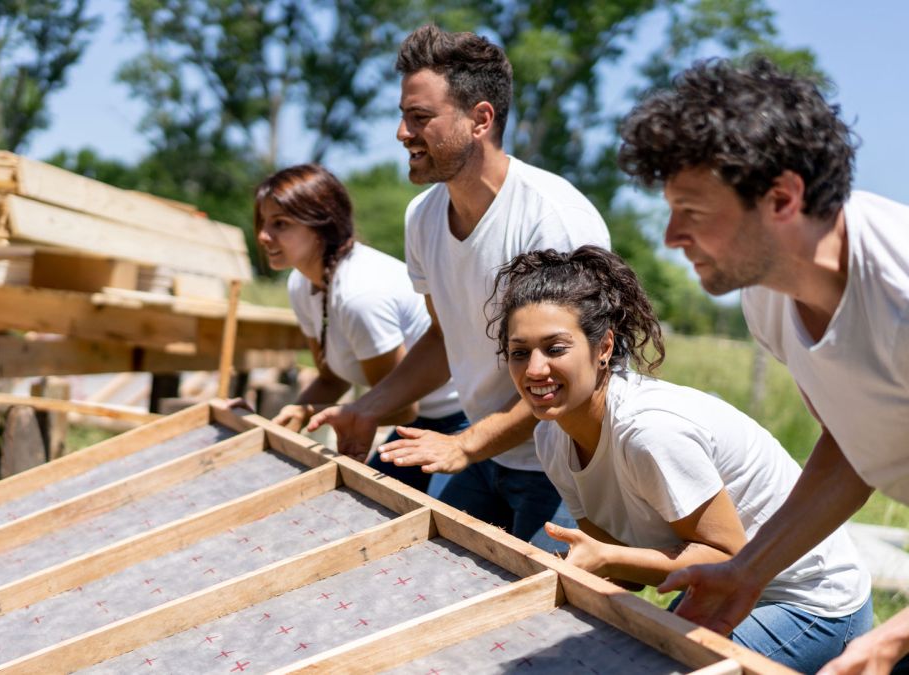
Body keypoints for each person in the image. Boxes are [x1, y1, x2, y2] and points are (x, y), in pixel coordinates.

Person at [618, 57, 909, 674]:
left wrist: (892, 635)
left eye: (692, 212)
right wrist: (747, 571)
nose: (671, 235)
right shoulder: (768, 294)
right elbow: (851, 446)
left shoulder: (900, 295)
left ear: (782, 198)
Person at [488, 245, 872, 673]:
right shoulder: (552, 438)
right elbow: (623, 565)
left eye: (555, 348)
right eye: (520, 352)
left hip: (808, 600)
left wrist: (606, 561)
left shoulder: (649, 432)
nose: (534, 369)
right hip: (716, 590)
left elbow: (728, 559)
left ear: (603, 348)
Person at [308, 25, 610, 550]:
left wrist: (467, 443)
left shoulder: (552, 221)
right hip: (483, 449)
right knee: (423, 570)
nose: (402, 133)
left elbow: (574, 376)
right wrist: (368, 409)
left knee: (538, 619)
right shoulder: (422, 217)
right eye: (404, 116)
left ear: (480, 119)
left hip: (568, 463)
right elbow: (444, 337)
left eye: (419, 118)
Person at [254, 163, 467, 495]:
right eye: (263, 223)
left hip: (458, 421)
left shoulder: (360, 295)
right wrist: (290, 416)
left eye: (280, 224)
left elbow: (400, 406)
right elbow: (331, 378)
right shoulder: (302, 283)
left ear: (321, 225)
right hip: (413, 421)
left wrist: (316, 414)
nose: (264, 236)